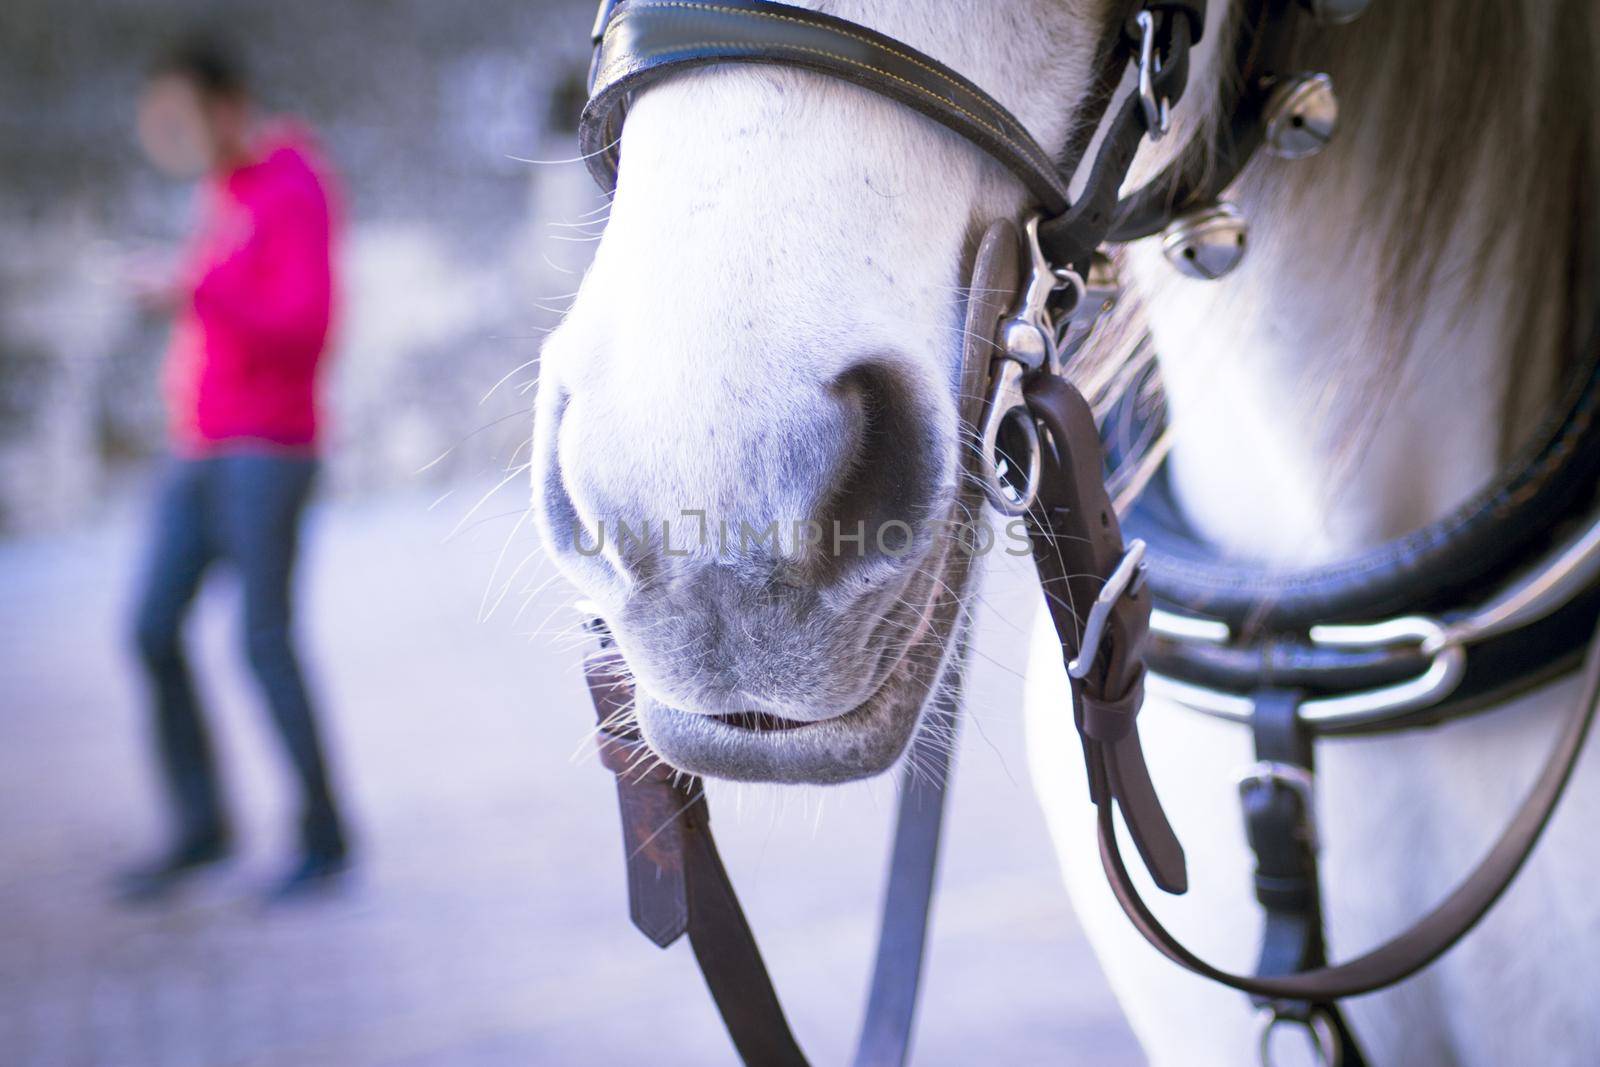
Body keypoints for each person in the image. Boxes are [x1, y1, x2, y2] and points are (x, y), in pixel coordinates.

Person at [120, 36, 350, 902]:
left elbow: (307, 327)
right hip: (202, 446)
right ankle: (200, 826)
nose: (169, 133)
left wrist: (191, 288)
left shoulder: (293, 183)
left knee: (264, 641)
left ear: (227, 104)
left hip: (270, 449)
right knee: (150, 628)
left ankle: (323, 833)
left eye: (180, 115)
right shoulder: (220, 194)